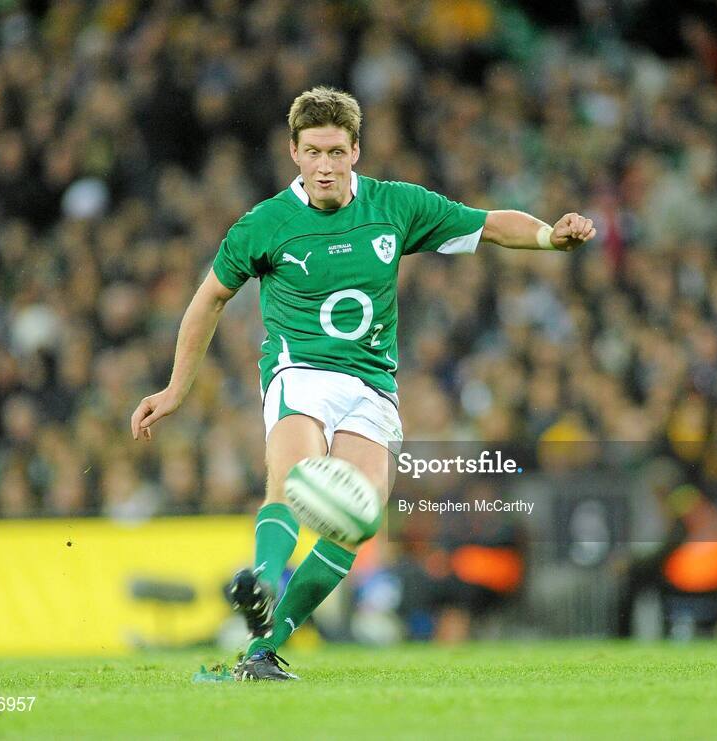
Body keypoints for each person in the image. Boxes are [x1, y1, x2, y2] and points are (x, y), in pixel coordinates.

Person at [129, 87, 596, 680]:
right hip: (300, 372)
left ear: (355, 151)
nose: (324, 166)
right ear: (293, 153)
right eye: (312, 152)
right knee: (293, 477)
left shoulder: (395, 206)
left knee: (358, 521)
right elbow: (207, 301)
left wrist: (550, 236)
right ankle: (264, 580)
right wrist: (175, 389)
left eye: (335, 152)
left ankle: (261, 651)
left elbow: (489, 225)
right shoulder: (265, 224)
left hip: (372, 385)